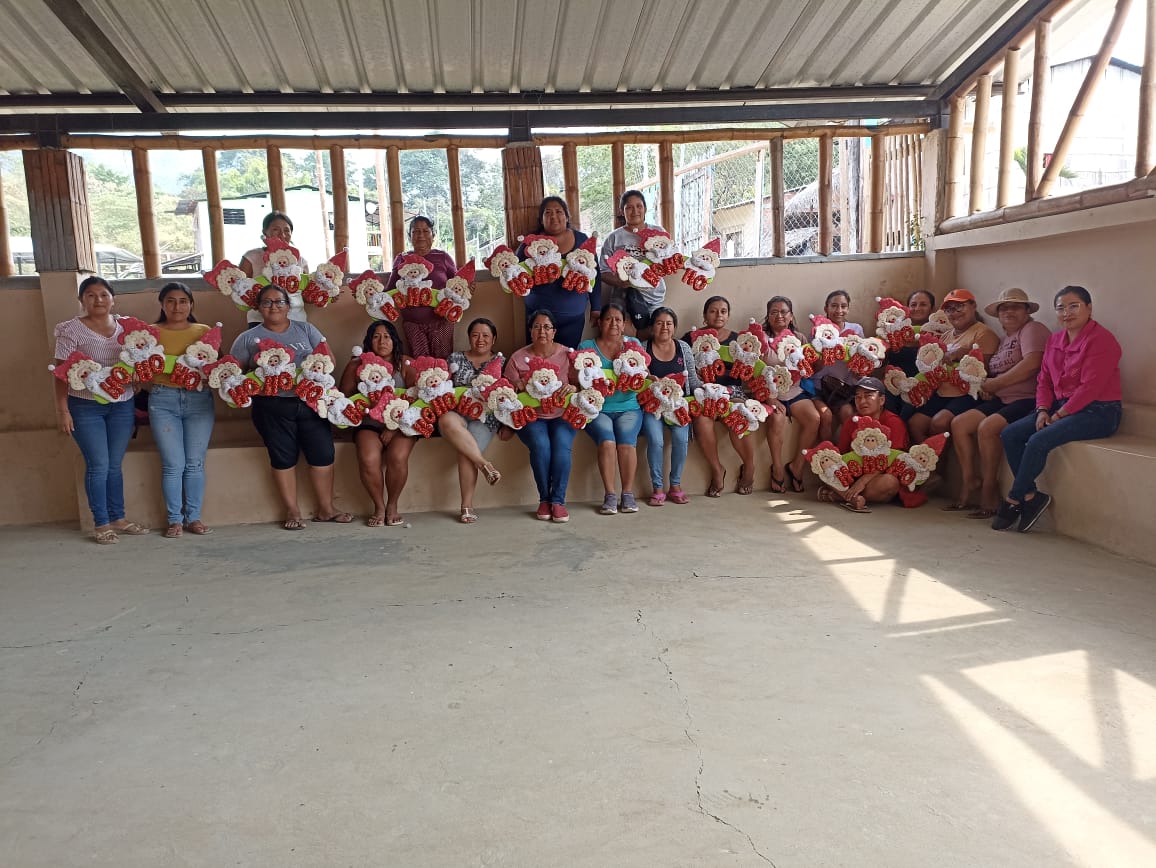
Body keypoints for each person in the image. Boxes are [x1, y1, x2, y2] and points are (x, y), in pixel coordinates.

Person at [993, 286, 1123, 533]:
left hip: (1099, 411)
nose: (1066, 313)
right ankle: (1031, 496)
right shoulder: (1055, 340)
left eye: (1074, 306)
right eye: (1061, 308)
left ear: (1089, 308)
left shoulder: (1102, 340)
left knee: (1038, 439)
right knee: (1010, 434)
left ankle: (1013, 499)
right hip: (1059, 406)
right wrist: (1043, 409)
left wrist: (1059, 415)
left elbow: (1091, 388)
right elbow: (1044, 380)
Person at [229, 284, 351, 530]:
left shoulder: (306, 329)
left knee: (323, 455)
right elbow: (233, 374)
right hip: (271, 407)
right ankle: (292, 511)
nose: (274, 306)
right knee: (283, 458)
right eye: (267, 302)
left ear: (288, 306)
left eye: (279, 301)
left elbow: (329, 360)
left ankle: (326, 509)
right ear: (258, 307)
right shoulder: (248, 338)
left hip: (311, 403)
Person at [52, 276, 149, 544]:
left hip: (122, 404)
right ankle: (101, 523)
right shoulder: (70, 330)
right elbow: (61, 374)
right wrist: (63, 410)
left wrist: (137, 379)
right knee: (98, 465)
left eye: (104, 294)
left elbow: (138, 360)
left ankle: (118, 517)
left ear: (113, 299)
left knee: (114, 465)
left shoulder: (127, 327)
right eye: (91, 295)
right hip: (85, 406)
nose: (98, 300)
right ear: (81, 300)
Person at [944, 288, 1050, 518]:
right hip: (1002, 399)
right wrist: (987, 388)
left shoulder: (1032, 329)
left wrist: (996, 384)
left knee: (987, 428)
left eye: (1015, 307)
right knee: (959, 423)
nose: (1009, 312)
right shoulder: (1003, 340)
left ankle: (989, 490)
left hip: (1028, 399)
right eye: (1004, 308)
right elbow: (992, 374)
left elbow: (1032, 363)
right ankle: (969, 481)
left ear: (1027, 311)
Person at [148, 282, 216, 538]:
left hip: (198, 400)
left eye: (183, 301)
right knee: (173, 465)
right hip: (162, 400)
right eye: (171, 301)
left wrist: (210, 377)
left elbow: (216, 366)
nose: (177, 307)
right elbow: (140, 366)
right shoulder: (150, 333)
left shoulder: (204, 331)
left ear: (191, 304)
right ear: (162, 304)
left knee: (194, 463)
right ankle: (174, 520)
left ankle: (193, 518)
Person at [338, 320, 415, 527]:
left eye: (387, 336)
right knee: (368, 459)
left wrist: (393, 427)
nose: (382, 341)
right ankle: (379, 506)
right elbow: (344, 398)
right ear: (368, 341)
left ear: (395, 340)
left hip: (401, 424)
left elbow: (417, 400)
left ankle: (392, 505)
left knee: (397, 457)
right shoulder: (357, 364)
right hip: (369, 423)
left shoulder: (405, 364)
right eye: (376, 337)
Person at [505, 310, 578, 522]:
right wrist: (516, 385)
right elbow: (505, 392)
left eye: (546, 327)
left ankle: (558, 501)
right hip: (531, 416)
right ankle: (544, 499)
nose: (542, 331)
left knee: (562, 446)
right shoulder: (518, 358)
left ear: (554, 332)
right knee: (541, 445)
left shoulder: (567, 355)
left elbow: (581, 383)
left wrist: (574, 387)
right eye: (537, 327)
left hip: (563, 414)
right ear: (530, 331)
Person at [685, 295, 758, 496]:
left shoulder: (738, 340)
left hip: (733, 393)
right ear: (704, 314)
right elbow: (685, 368)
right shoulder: (691, 338)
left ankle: (749, 466)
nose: (718, 315)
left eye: (723, 311)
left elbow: (751, 371)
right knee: (701, 420)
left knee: (739, 415)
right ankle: (717, 469)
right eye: (713, 311)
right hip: (705, 394)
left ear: (728, 315)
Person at [577, 303, 645, 514]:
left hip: (629, 406)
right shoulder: (586, 347)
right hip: (598, 408)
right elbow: (578, 380)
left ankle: (628, 494)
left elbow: (644, 373)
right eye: (608, 319)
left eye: (618, 319)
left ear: (624, 324)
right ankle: (610, 495)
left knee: (626, 443)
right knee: (607, 442)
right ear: (599, 323)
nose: (613, 323)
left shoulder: (633, 345)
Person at [908, 288, 999, 444]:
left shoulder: (983, 333)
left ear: (973, 306)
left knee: (939, 422)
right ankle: (929, 457)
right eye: (949, 309)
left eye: (960, 307)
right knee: (915, 423)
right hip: (942, 391)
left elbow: (984, 370)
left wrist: (962, 353)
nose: (955, 313)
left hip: (967, 394)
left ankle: (937, 456)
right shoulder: (946, 335)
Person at [443, 318, 504, 523]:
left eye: (485, 335)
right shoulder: (454, 358)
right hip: (458, 413)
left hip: (485, 419)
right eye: (475, 335)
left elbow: (508, 394)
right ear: (469, 337)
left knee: (466, 451)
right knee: (446, 420)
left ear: (493, 339)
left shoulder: (501, 361)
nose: (480, 340)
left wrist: (509, 425)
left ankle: (466, 506)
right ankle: (485, 466)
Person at [815, 377, 908, 513]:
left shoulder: (894, 422)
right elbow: (841, 455)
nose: (862, 401)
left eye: (868, 396)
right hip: (854, 473)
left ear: (881, 400)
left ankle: (840, 496)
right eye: (858, 397)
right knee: (822, 463)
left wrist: (863, 481)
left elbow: (894, 460)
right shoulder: (851, 421)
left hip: (877, 477)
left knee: (890, 482)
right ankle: (852, 498)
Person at [519, 196, 601, 349]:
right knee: (537, 359)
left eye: (559, 212)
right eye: (548, 212)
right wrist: (539, 281)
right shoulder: (530, 243)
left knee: (567, 357)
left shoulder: (582, 240)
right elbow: (516, 276)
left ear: (567, 216)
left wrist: (596, 307)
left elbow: (595, 274)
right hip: (538, 319)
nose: (553, 216)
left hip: (572, 317)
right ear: (541, 219)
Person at [640, 307, 701, 505]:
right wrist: (648, 380)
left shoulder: (683, 348)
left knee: (681, 439)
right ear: (652, 327)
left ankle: (675, 485)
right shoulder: (643, 348)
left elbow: (693, 380)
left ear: (674, 327)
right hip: (652, 406)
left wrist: (708, 393)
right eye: (659, 323)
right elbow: (637, 381)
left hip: (678, 405)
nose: (664, 327)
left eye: (669, 323)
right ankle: (657, 488)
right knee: (656, 440)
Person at [763, 296, 823, 493]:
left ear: (791, 316)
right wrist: (770, 398)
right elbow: (754, 372)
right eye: (774, 312)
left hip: (795, 391)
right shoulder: (761, 339)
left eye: (783, 312)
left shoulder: (800, 338)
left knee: (814, 418)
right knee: (777, 419)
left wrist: (823, 353)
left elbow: (810, 368)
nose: (779, 316)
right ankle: (777, 468)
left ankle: (796, 466)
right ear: (768, 316)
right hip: (769, 393)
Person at [384, 215, 457, 358]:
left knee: (443, 362)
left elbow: (458, 284)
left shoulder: (443, 257)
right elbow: (390, 290)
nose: (421, 235)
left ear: (433, 235)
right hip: (413, 324)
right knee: (420, 363)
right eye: (416, 231)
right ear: (410, 236)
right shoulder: (401, 259)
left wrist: (468, 288)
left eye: (425, 231)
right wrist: (370, 295)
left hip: (441, 321)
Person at [598, 190, 667, 339]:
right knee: (625, 341)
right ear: (622, 211)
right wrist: (620, 281)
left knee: (653, 339)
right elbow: (602, 271)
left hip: (653, 298)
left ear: (645, 208)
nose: (635, 211)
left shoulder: (658, 232)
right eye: (629, 207)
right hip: (622, 299)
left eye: (639, 206)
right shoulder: (613, 238)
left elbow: (670, 260)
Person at [809, 289, 865, 441]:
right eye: (834, 306)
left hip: (844, 388)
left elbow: (861, 363)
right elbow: (812, 368)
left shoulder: (856, 330)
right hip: (819, 387)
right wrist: (825, 353)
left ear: (848, 308)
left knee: (848, 413)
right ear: (826, 308)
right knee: (825, 416)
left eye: (843, 306)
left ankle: (846, 452)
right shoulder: (817, 331)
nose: (839, 310)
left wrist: (859, 370)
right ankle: (828, 451)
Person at [239, 211, 309, 326]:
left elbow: (307, 294)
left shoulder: (300, 261)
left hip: (295, 320)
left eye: (287, 230)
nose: (282, 235)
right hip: (260, 321)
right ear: (265, 232)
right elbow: (239, 289)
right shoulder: (251, 257)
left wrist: (327, 294)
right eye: (276, 229)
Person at [884, 290, 935, 417]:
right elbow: (883, 361)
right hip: (894, 385)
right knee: (888, 410)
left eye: (923, 304)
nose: (917, 308)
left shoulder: (938, 333)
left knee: (906, 413)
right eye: (913, 305)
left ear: (932, 309)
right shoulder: (895, 330)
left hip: (921, 387)